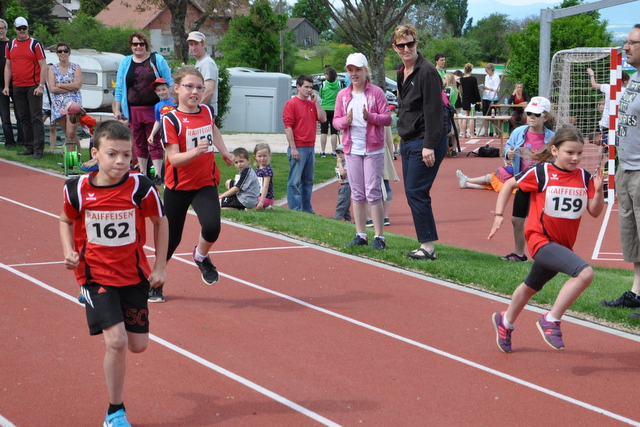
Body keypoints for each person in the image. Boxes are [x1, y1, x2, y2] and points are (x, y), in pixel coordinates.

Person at [59, 120, 168, 427]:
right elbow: (65, 221)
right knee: (117, 342)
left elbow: (160, 222)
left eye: (126, 154)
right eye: (112, 154)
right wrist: (68, 251)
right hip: (94, 275)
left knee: (138, 345)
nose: (120, 161)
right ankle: (115, 412)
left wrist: (160, 265)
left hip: (133, 274)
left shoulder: (140, 187)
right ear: (95, 154)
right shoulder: (77, 189)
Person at [489, 125, 604, 353]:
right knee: (585, 273)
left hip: (561, 246)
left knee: (530, 287)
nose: (575, 158)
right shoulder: (541, 172)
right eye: (569, 152)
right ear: (554, 150)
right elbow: (509, 184)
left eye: (579, 153)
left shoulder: (584, 177)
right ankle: (551, 320)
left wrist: (599, 191)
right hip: (540, 241)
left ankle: (505, 321)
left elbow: (594, 211)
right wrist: (499, 215)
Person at [152, 66, 234, 303]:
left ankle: (200, 256)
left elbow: (213, 129)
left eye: (200, 87)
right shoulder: (170, 120)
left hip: (205, 182)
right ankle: (155, 282)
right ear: (177, 89)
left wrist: (224, 151)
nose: (195, 91)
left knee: (212, 227)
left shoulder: (207, 111)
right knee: (171, 240)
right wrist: (196, 152)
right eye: (189, 86)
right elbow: (174, 159)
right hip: (178, 187)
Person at [459, 97, 555, 263]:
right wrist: (508, 154)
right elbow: (508, 148)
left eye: (536, 114)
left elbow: (557, 160)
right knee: (517, 220)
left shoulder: (552, 138)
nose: (532, 117)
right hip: (522, 182)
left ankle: (546, 255)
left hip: (542, 187)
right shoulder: (519, 132)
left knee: (541, 223)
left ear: (545, 117)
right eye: (529, 113)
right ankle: (519, 253)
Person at [392, 23, 447, 260]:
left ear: (416, 43)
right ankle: (425, 244)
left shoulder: (427, 71)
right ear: (395, 47)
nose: (406, 49)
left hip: (425, 140)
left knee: (416, 191)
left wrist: (429, 145)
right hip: (409, 139)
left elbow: (434, 111)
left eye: (410, 44)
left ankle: (428, 247)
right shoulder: (401, 72)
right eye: (401, 45)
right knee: (412, 191)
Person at [333, 52, 392, 250]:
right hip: (352, 149)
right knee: (357, 193)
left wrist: (370, 117)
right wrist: (346, 121)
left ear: (366, 71)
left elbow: (387, 118)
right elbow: (336, 121)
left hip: (372, 149)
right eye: (350, 70)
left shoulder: (376, 93)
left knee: (373, 191)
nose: (354, 74)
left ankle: (379, 237)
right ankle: (360, 235)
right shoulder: (343, 95)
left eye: (358, 70)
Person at [600, 26, 640, 315]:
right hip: (626, 169)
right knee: (633, 235)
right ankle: (637, 292)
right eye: (626, 42)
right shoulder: (635, 77)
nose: (625, 48)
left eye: (631, 43)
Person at [113, 31, 173, 177]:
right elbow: (119, 87)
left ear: (146, 45)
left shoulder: (157, 60)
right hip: (133, 109)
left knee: (154, 140)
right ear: (131, 45)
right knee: (138, 142)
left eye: (141, 44)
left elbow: (169, 82)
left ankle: (158, 174)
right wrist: (117, 108)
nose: (138, 47)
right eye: (135, 44)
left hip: (154, 108)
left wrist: (171, 102)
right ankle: (143, 173)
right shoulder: (126, 62)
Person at [3, 17, 47, 159]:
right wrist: (6, 86)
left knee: (36, 117)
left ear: (27, 28)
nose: (22, 31)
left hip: (33, 85)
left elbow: (43, 65)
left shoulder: (35, 44)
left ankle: (39, 150)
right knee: (23, 117)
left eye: (24, 28)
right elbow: (8, 66)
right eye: (19, 28)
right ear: (15, 29)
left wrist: (40, 85)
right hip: (17, 86)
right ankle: (29, 147)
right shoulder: (10, 45)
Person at [283, 74, 327, 213]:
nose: (309, 90)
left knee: (308, 181)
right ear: (298, 87)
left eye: (310, 87)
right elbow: (288, 127)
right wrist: (293, 148)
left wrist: (316, 102)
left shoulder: (311, 104)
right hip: (299, 146)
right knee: (294, 181)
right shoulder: (291, 104)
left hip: (310, 146)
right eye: (306, 87)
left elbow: (323, 118)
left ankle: (306, 209)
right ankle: (295, 209)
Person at [48, 42, 83, 154]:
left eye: (65, 51)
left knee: (72, 132)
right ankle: (71, 157)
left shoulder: (75, 67)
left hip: (73, 104)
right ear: (57, 53)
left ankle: (76, 156)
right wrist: (70, 86)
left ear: (69, 53)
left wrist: (60, 85)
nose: (63, 53)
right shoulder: (52, 69)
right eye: (60, 51)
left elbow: (78, 85)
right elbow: (52, 89)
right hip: (59, 105)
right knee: (67, 133)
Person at [586, 66, 630, 146]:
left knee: (604, 145)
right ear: (623, 81)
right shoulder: (626, 91)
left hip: (606, 122)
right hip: (618, 122)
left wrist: (591, 74)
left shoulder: (608, 87)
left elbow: (594, 84)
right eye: (627, 81)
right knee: (616, 143)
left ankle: (607, 154)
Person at [147, 77, 177, 186]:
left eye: (163, 89)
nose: (161, 92)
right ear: (156, 92)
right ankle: (168, 177)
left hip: (177, 132)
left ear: (169, 89)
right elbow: (157, 121)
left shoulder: (176, 101)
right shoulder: (158, 106)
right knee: (168, 155)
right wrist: (152, 135)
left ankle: (177, 175)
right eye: (158, 90)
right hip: (165, 134)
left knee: (177, 154)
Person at [187, 31, 219, 117]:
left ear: (203, 44)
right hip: (202, 111)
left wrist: (194, 109)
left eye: (196, 44)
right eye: (191, 44)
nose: (193, 47)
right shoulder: (200, 62)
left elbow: (209, 91)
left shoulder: (207, 63)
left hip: (205, 112)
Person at [319, 66, 340, 157]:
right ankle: (334, 151)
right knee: (334, 132)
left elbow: (321, 95)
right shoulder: (339, 84)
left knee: (323, 131)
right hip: (335, 109)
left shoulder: (323, 84)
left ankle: (323, 151)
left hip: (324, 108)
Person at [459, 63, 481, 139]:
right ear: (471, 70)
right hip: (472, 99)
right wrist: (479, 100)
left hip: (465, 98)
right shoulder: (473, 79)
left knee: (465, 116)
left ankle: (464, 134)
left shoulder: (462, 79)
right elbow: (475, 91)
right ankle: (472, 134)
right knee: (472, 116)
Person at [478, 63, 501, 137]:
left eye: (487, 70)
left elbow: (497, 89)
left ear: (491, 69)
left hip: (492, 97)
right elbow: (486, 86)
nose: (486, 72)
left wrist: (488, 88)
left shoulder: (496, 77)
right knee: (485, 116)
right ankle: (485, 132)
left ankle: (494, 132)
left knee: (492, 115)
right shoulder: (486, 76)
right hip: (485, 97)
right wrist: (482, 88)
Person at [254, 143, 275, 209]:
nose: (262, 158)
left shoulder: (267, 170)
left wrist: (261, 201)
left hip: (266, 198)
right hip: (257, 196)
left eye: (264, 156)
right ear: (255, 157)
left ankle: (265, 206)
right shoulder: (258, 168)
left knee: (250, 201)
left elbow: (265, 186)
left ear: (269, 155)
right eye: (259, 156)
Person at [333, 143, 351, 221]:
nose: (340, 155)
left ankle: (337, 217)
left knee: (342, 201)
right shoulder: (341, 162)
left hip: (346, 185)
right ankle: (347, 217)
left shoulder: (347, 163)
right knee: (345, 202)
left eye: (342, 153)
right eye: (338, 153)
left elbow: (343, 173)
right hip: (342, 184)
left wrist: (340, 163)